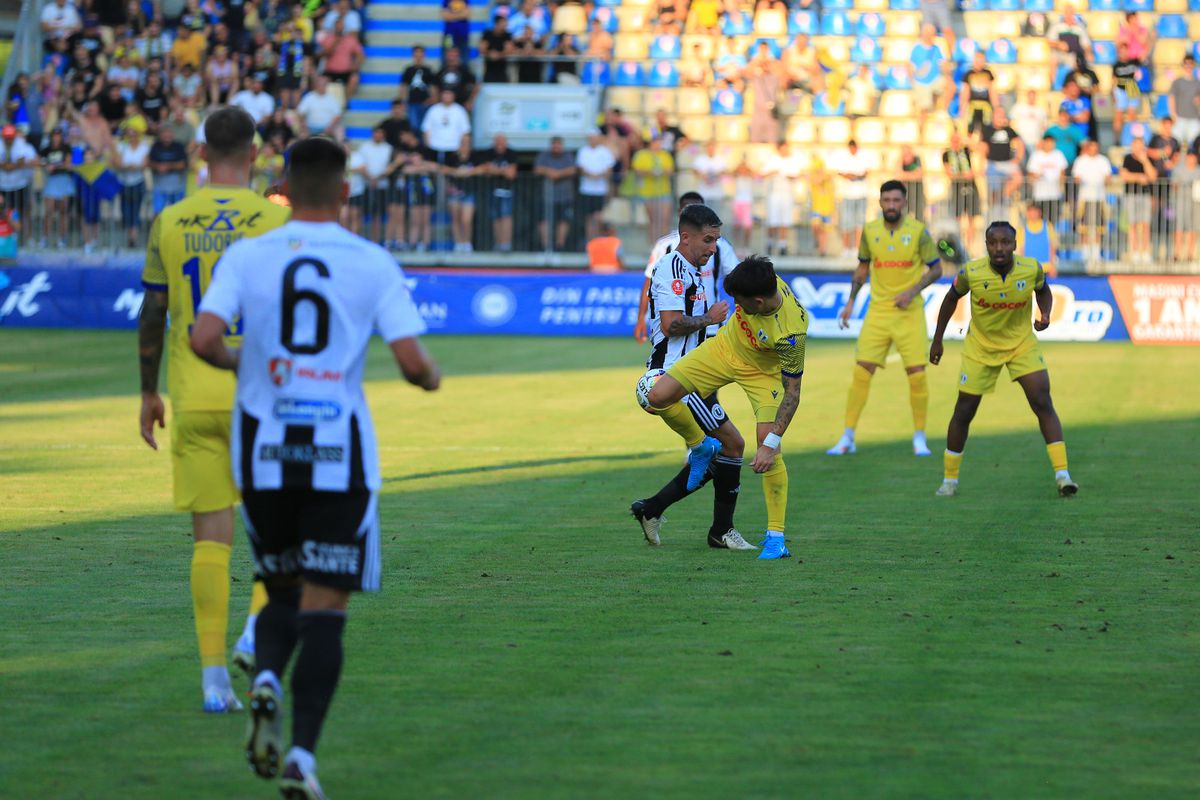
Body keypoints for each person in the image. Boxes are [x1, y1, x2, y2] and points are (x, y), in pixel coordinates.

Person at [189, 135, 441, 799]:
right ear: (345, 193)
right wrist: (429, 377)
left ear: (285, 190)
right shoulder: (371, 261)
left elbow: (203, 338)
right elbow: (415, 364)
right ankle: (301, 757)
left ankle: (265, 674)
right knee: (326, 609)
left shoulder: (248, 255)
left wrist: (249, 366)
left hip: (263, 452)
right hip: (339, 455)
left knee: (280, 587)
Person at [137, 107, 291, 714]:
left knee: (210, 536)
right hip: (261, 394)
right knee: (279, 533)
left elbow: (153, 314)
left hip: (194, 393)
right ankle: (253, 635)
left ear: (201, 153)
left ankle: (211, 680)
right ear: (254, 155)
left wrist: (148, 391)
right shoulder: (272, 221)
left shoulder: (170, 221)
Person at [646, 254, 808, 560]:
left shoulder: (791, 333)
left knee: (768, 448)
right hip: (723, 350)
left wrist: (770, 443)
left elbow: (793, 393)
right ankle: (701, 447)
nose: (736, 306)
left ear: (758, 302)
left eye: (740, 302)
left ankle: (776, 538)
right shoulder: (760, 278)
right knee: (657, 396)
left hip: (763, 375)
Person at [631, 203, 754, 551]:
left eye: (716, 240)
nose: (713, 248)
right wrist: (710, 318)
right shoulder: (672, 266)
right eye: (708, 240)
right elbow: (671, 325)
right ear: (686, 237)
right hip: (677, 378)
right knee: (732, 446)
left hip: (694, 376)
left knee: (728, 447)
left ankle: (653, 508)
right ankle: (720, 531)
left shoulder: (691, 270)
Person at [929, 221, 1078, 498]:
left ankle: (1063, 476)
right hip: (980, 349)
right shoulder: (971, 272)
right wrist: (937, 340)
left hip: (1021, 345)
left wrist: (1045, 314)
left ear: (1014, 244)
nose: (999, 248)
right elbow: (951, 299)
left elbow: (1043, 290)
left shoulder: (1031, 267)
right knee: (964, 411)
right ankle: (949, 480)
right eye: (993, 243)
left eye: (1005, 242)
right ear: (986, 245)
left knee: (1043, 402)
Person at [828, 180, 942, 457]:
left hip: (909, 312)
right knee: (861, 370)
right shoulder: (870, 231)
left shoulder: (918, 232)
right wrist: (851, 301)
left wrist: (911, 291)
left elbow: (936, 269)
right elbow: (862, 267)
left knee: (916, 374)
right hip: (878, 311)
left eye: (896, 200)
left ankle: (919, 438)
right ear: (880, 203)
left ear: (904, 202)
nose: (891, 205)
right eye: (886, 200)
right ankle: (848, 437)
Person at [633, 191, 739, 344]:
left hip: (713, 329)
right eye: (688, 210)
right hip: (684, 333)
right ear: (680, 213)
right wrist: (641, 319)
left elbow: (737, 279)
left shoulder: (721, 246)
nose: (713, 248)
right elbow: (649, 284)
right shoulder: (666, 249)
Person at [533, 135, 576, 250]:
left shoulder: (568, 155)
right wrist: (549, 172)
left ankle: (560, 245)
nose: (556, 147)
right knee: (543, 220)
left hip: (564, 196)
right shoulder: (544, 155)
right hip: (546, 195)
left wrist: (558, 174)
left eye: (558, 144)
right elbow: (537, 169)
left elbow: (572, 169)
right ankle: (545, 245)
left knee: (563, 220)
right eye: (554, 144)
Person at [476, 133, 517, 251]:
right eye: (497, 142)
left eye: (502, 142)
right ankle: (499, 243)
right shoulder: (489, 153)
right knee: (496, 218)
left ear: (505, 142)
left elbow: (511, 174)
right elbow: (486, 170)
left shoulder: (511, 153)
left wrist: (495, 170)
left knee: (506, 217)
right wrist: (503, 171)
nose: (499, 144)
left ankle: (506, 244)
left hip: (507, 190)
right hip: (492, 190)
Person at [1072, 139, 1112, 259]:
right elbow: (1077, 177)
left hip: (1099, 198)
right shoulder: (1080, 160)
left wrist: (1104, 181)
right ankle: (1085, 252)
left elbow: (1108, 177)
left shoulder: (1103, 160)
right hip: (1085, 198)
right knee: (1084, 226)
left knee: (1098, 226)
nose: (1093, 149)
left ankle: (1095, 251)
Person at [576, 128, 616, 243]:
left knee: (598, 217)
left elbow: (609, 169)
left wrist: (598, 175)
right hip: (586, 190)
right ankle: (590, 242)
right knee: (588, 218)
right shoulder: (583, 151)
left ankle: (598, 241)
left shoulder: (604, 151)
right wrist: (591, 174)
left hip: (600, 190)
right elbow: (580, 168)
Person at [1121, 137, 1157, 263]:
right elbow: (1124, 175)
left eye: (1140, 146)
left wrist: (1145, 161)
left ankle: (1145, 252)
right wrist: (1139, 177)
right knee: (1133, 225)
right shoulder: (1127, 158)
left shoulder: (1148, 159)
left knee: (1145, 225)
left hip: (1145, 196)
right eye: (1136, 145)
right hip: (1131, 195)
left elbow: (1152, 176)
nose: (1138, 148)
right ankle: (1134, 252)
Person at [632, 136, 675, 243]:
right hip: (648, 193)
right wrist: (651, 172)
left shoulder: (665, 155)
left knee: (664, 220)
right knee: (653, 220)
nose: (658, 144)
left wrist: (659, 172)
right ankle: (653, 246)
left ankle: (665, 247)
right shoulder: (641, 154)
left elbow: (670, 170)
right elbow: (637, 170)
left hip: (664, 191)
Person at [113, 125, 150, 247]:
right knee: (125, 210)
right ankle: (129, 233)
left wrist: (133, 167)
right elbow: (116, 162)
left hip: (138, 182)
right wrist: (127, 167)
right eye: (129, 134)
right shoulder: (121, 146)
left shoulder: (143, 147)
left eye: (134, 134)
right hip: (124, 182)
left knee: (136, 209)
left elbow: (145, 164)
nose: (132, 137)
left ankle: (133, 236)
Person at [764, 140, 802, 256]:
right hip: (774, 193)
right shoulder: (773, 159)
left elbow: (796, 175)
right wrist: (773, 172)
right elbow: (763, 173)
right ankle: (770, 243)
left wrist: (787, 175)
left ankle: (782, 245)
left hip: (787, 194)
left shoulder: (792, 160)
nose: (786, 150)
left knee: (784, 220)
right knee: (773, 220)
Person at [39, 128, 74, 249]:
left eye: (58, 135)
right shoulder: (46, 149)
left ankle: (62, 239)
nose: (56, 138)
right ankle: (45, 238)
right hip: (52, 180)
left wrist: (56, 166)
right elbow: (38, 161)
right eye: (54, 135)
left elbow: (68, 164)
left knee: (63, 211)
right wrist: (45, 165)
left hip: (64, 179)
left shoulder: (66, 148)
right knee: (49, 211)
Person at [1026, 134, 1069, 226]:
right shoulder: (1036, 155)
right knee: (1039, 218)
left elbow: (1062, 172)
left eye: (1052, 143)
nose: (1050, 145)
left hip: (1055, 193)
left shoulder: (1058, 154)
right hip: (1040, 193)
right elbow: (1031, 172)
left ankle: (1050, 237)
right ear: (1044, 143)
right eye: (1048, 143)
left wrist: (1061, 183)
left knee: (1053, 218)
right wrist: (1037, 176)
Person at [149, 124, 189, 214]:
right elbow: (149, 162)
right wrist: (157, 166)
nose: (167, 136)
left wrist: (167, 167)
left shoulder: (179, 146)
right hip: (160, 187)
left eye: (169, 133)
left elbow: (183, 164)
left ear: (173, 134)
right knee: (158, 214)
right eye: (164, 133)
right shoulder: (156, 146)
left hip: (177, 187)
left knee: (178, 213)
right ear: (161, 135)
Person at [1168, 55, 1200, 153]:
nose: (1188, 66)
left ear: (1194, 65)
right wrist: (1173, 114)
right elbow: (1171, 98)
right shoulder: (1177, 82)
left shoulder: (1198, 83)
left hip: (1194, 119)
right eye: (1186, 64)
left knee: (1195, 147)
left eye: (1190, 64)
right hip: (1180, 118)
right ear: (1183, 65)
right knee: (1175, 146)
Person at [1016, 202, 1058, 276]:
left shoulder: (1048, 226)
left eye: (1035, 211)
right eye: (1030, 211)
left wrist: (1053, 266)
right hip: (1029, 269)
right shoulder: (1022, 229)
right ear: (1027, 213)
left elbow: (1052, 247)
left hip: (1046, 269)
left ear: (1040, 212)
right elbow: (1021, 250)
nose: (1033, 214)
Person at [399, 46, 435, 131]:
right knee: (413, 126)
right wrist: (403, 101)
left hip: (425, 102)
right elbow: (403, 86)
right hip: (412, 102)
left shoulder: (428, 70)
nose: (418, 56)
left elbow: (433, 87)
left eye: (420, 53)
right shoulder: (408, 70)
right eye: (416, 53)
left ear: (424, 55)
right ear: (413, 55)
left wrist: (431, 100)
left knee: (424, 126)